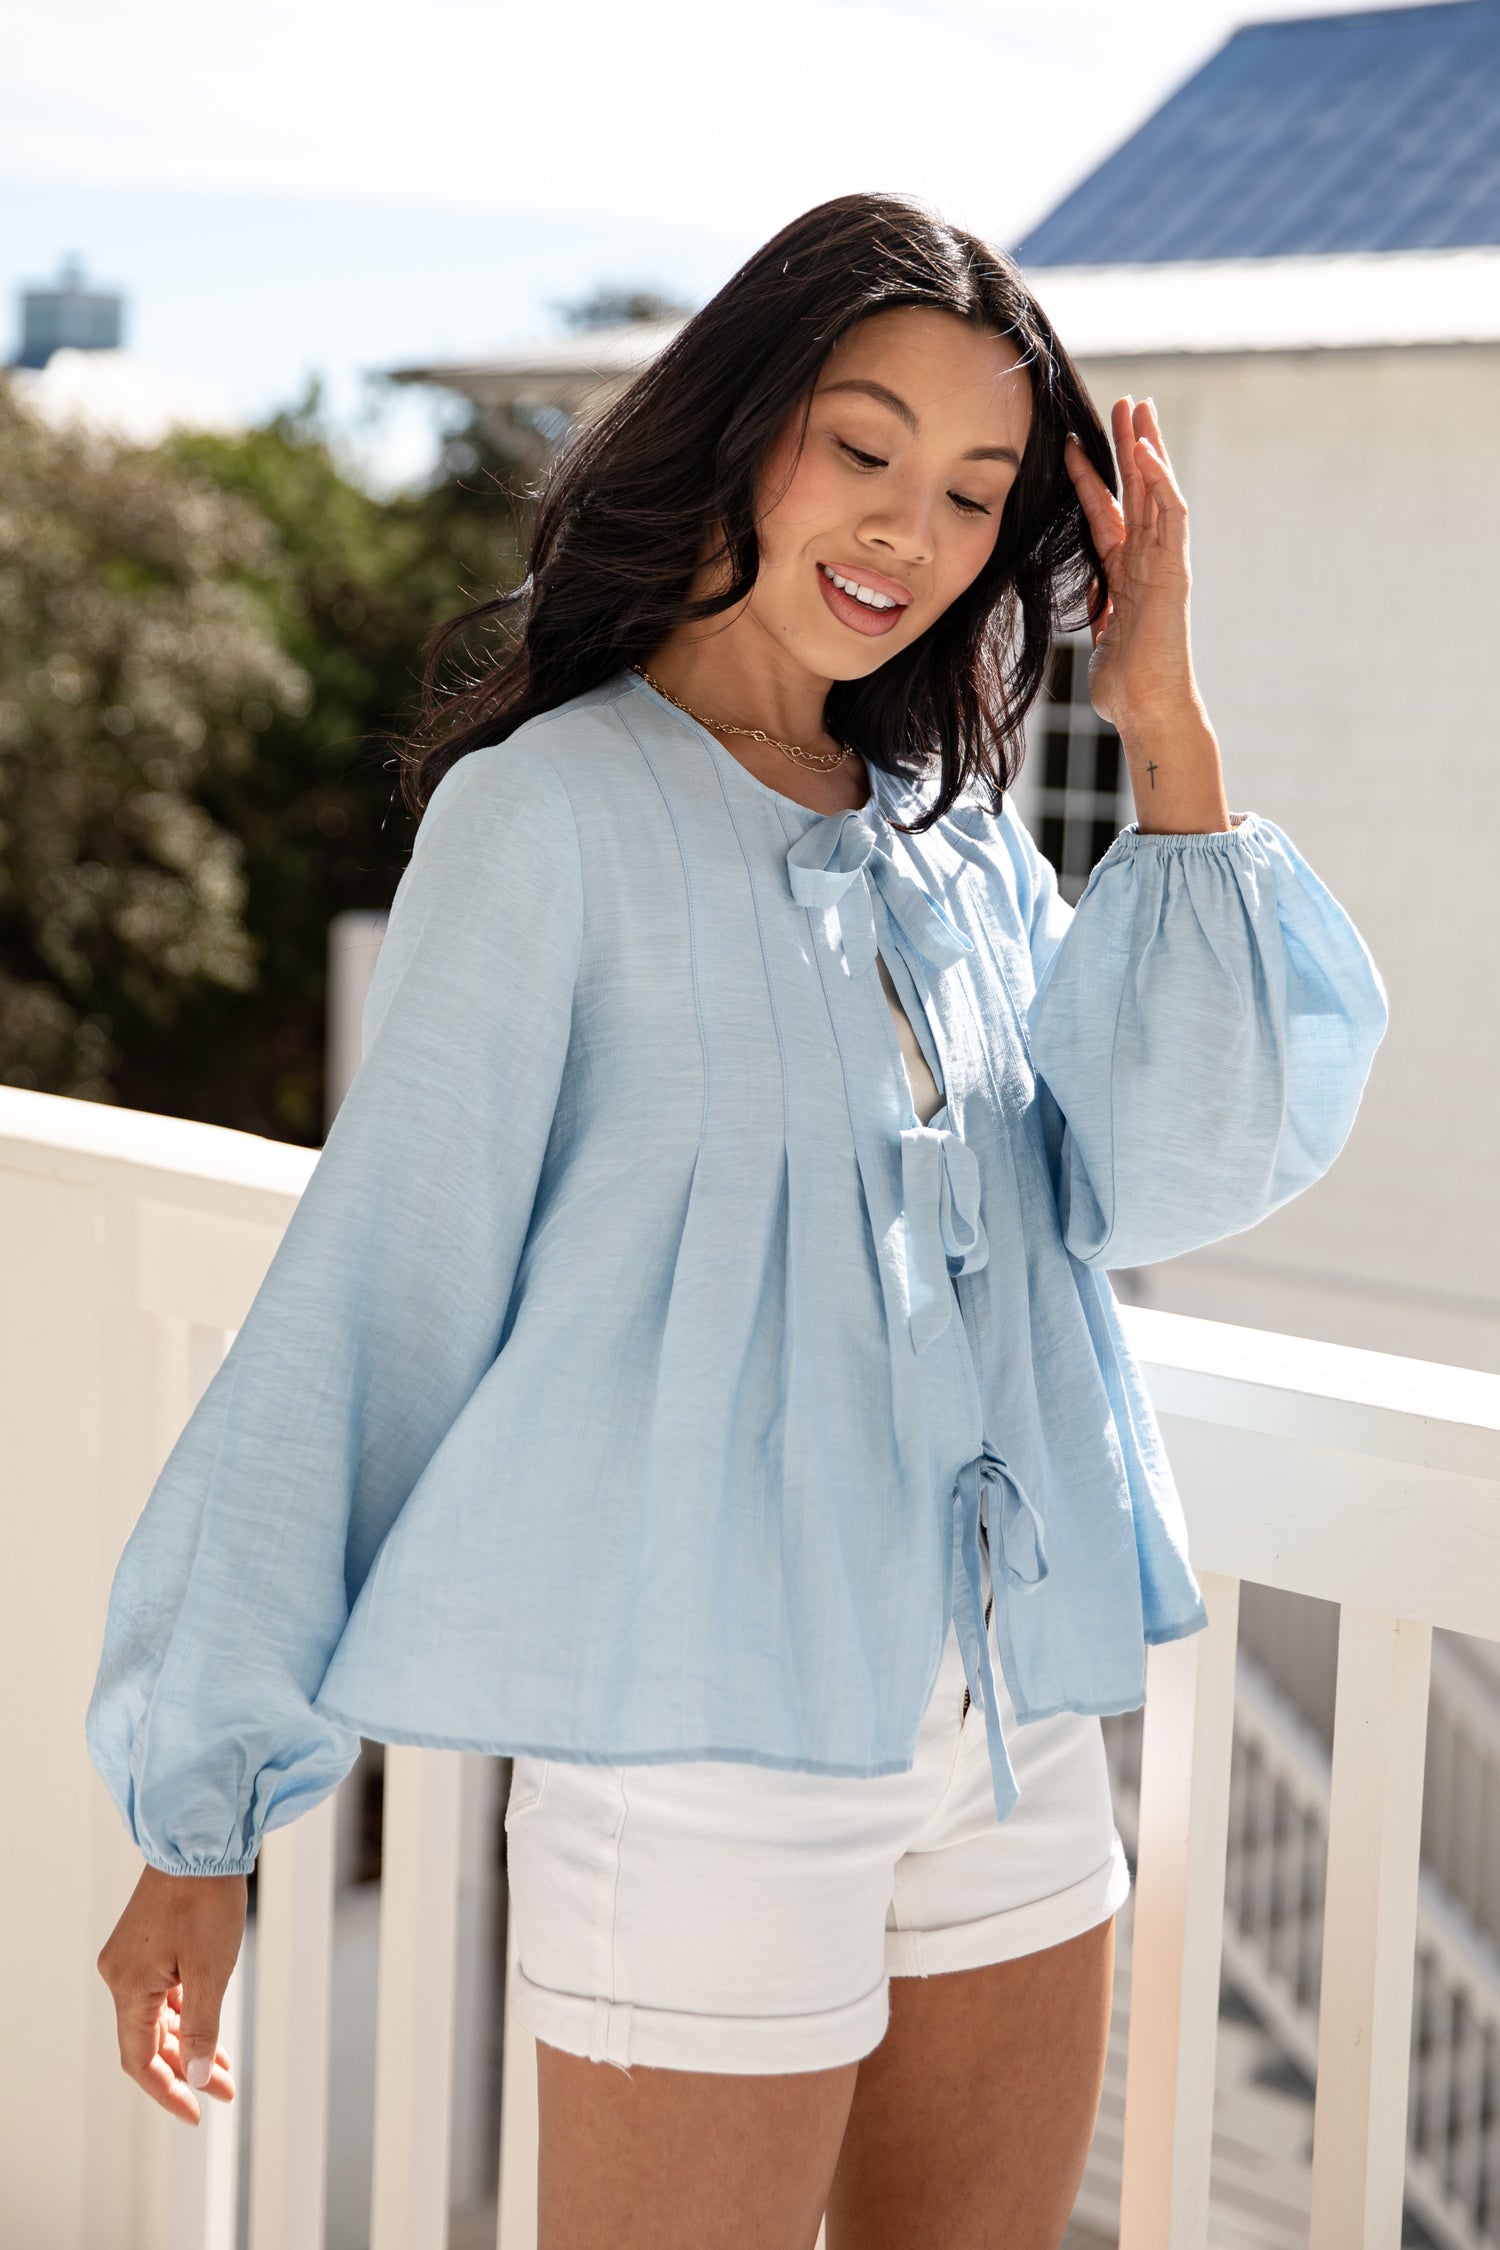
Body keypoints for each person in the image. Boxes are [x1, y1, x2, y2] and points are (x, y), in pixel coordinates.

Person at [89, 191, 1387, 2250]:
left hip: (1014, 1741)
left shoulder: (958, 850)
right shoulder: (550, 822)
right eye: (860, 448)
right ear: (742, 427)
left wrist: (1164, 725)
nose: (906, 529)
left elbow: (1174, 1164)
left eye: (973, 493)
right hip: (694, 1767)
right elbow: (376, 1306)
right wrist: (207, 1814)